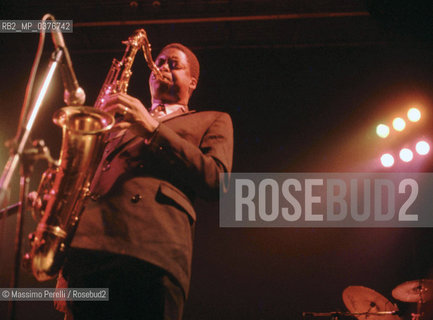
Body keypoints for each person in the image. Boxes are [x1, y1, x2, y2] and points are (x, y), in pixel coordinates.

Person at [55, 43, 233, 320]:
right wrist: (66, 267)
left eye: (174, 64)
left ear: (193, 82)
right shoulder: (118, 123)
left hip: (153, 254)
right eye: (159, 62)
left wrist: (152, 129)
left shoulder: (212, 120)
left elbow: (218, 182)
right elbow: (89, 189)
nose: (162, 67)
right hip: (90, 257)